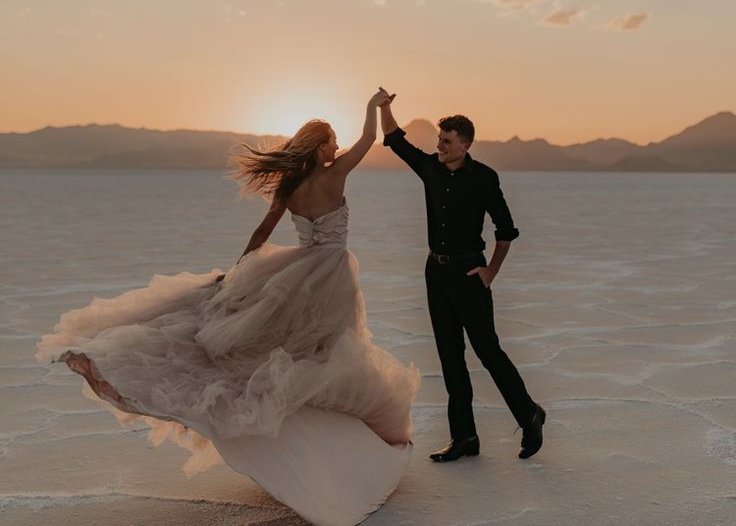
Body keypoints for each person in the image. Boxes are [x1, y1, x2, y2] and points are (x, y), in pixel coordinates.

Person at [36, 91, 419, 526]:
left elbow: (261, 232)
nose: (337, 148)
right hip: (329, 275)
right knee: (321, 358)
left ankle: (317, 447)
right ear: (319, 148)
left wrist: (238, 273)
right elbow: (371, 138)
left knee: (293, 358)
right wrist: (375, 106)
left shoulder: (291, 187)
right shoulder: (336, 175)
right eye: (331, 142)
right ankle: (329, 461)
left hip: (292, 273)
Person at [378, 91, 545, 462]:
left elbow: (506, 230)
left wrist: (491, 272)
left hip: (470, 273)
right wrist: (384, 107)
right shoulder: (430, 168)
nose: (440, 145)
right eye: (439, 139)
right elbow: (394, 140)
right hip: (435, 272)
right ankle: (465, 438)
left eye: (448, 141)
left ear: (466, 144)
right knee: (450, 356)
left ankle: (529, 414)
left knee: (488, 351)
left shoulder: (484, 178)